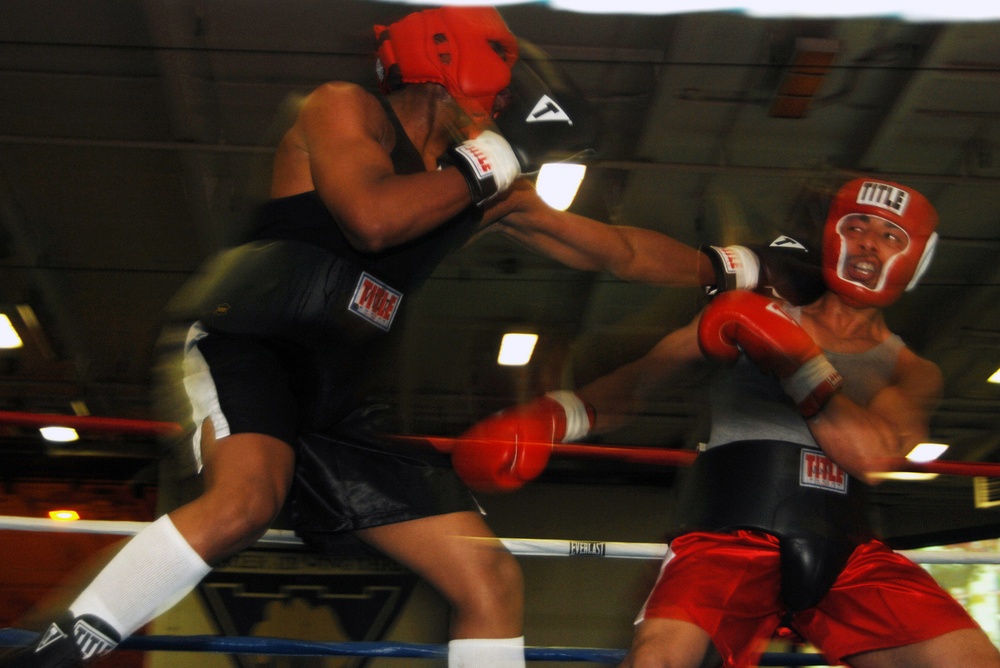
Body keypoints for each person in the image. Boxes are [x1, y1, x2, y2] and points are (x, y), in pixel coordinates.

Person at [0, 7, 800, 668]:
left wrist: (733, 267)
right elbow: (373, 220)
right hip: (248, 345)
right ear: (445, 68)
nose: (497, 110)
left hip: (337, 402)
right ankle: (56, 653)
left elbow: (617, 248)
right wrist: (500, 152)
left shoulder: (483, 186)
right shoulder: (343, 108)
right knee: (245, 500)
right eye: (491, 94)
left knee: (488, 575)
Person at [452, 178, 1000, 667]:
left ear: (917, 260)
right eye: (857, 227)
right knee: (659, 659)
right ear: (833, 235)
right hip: (726, 537)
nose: (868, 245)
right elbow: (640, 380)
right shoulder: (758, 304)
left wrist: (795, 360)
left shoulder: (912, 370)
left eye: (890, 236)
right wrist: (556, 418)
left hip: (849, 551)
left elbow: (873, 457)